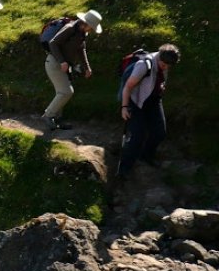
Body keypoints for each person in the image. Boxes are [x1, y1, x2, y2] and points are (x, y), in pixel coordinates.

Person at [117, 43, 180, 178]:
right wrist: (124, 107)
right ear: (159, 58)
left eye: (169, 65)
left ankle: (146, 156)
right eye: (164, 65)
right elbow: (127, 87)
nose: (166, 67)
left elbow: (160, 79)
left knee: (159, 132)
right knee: (137, 136)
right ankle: (124, 169)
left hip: (153, 100)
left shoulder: (166, 61)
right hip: (135, 101)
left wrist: (161, 87)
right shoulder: (144, 65)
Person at [41, 9, 103, 131]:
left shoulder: (82, 33)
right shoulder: (70, 28)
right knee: (66, 92)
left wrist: (87, 67)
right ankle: (48, 115)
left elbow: (81, 50)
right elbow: (53, 43)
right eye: (92, 27)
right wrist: (62, 61)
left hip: (63, 65)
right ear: (87, 24)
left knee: (62, 92)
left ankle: (57, 119)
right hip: (54, 63)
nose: (92, 30)